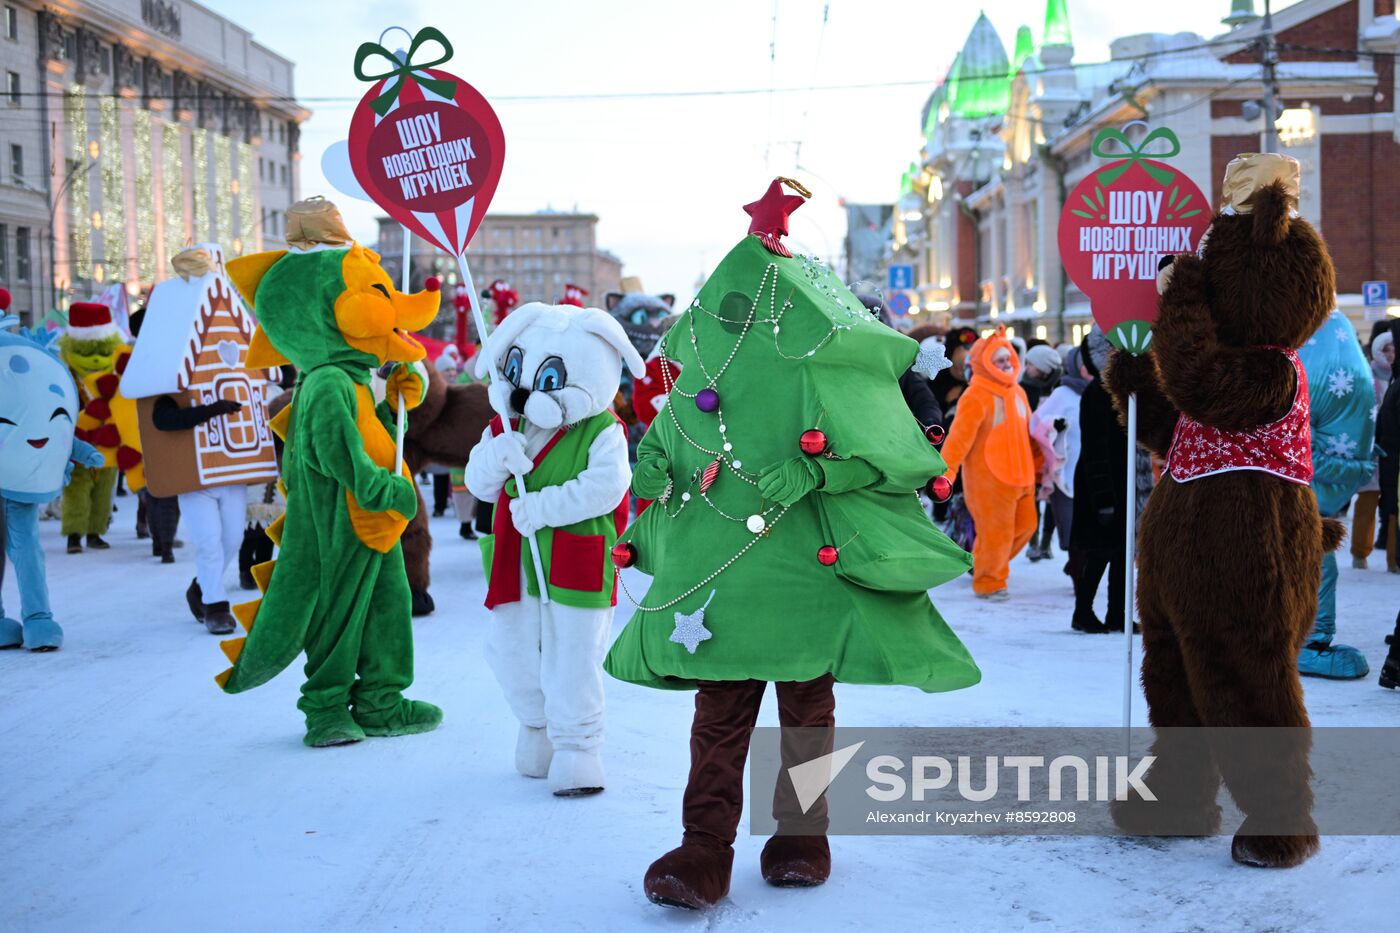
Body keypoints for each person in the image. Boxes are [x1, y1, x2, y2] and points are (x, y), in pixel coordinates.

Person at [940, 329, 1038, 600]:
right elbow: (958, 439)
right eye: (1000, 360)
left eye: (1008, 359)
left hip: (1023, 477)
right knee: (996, 534)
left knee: (1026, 526)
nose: (1007, 365)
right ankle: (989, 581)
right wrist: (946, 472)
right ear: (984, 363)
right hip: (990, 480)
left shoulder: (1018, 392)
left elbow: (1029, 433)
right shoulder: (976, 395)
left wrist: (1040, 465)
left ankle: (984, 560)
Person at [1069, 329, 1127, 633]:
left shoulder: (1125, 391)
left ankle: (1117, 614)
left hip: (1122, 481)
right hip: (1100, 481)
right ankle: (1083, 611)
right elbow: (1096, 447)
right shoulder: (1097, 393)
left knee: (1121, 552)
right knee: (1100, 551)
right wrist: (1104, 497)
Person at [1029, 347, 1086, 566]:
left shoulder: (1102, 390)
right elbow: (1037, 424)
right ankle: (1075, 565)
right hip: (1065, 469)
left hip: (1094, 469)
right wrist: (1055, 425)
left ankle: (1081, 566)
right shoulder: (1063, 393)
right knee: (1070, 528)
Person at [1356, 331, 1393, 568]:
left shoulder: (1396, 377)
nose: (1390, 355)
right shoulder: (1366, 376)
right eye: (1386, 350)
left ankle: (1393, 556)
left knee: (1391, 504)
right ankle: (1360, 551)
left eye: (1394, 350)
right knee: (1368, 500)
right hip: (1371, 446)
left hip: (1391, 449)